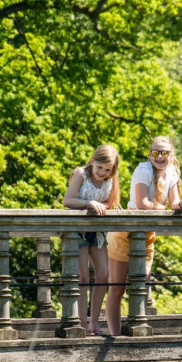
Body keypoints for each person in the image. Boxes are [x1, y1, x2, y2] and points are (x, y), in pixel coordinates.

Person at [105, 136, 182, 335]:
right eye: (155, 152)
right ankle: (115, 335)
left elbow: (174, 202)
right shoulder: (143, 170)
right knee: (117, 288)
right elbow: (142, 203)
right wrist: (162, 207)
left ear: (171, 154)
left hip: (147, 233)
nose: (159, 156)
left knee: (142, 283)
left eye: (164, 153)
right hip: (126, 232)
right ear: (149, 154)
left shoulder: (172, 172)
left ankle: (137, 330)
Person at [63, 144, 120, 336]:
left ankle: (94, 322)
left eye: (108, 169)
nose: (103, 172)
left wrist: (102, 205)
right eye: (100, 167)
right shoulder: (81, 174)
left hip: (97, 232)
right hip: (77, 231)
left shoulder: (111, 179)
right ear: (92, 161)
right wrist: (90, 203)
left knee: (103, 274)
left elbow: (110, 202)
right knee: (83, 277)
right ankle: (81, 323)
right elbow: (68, 200)